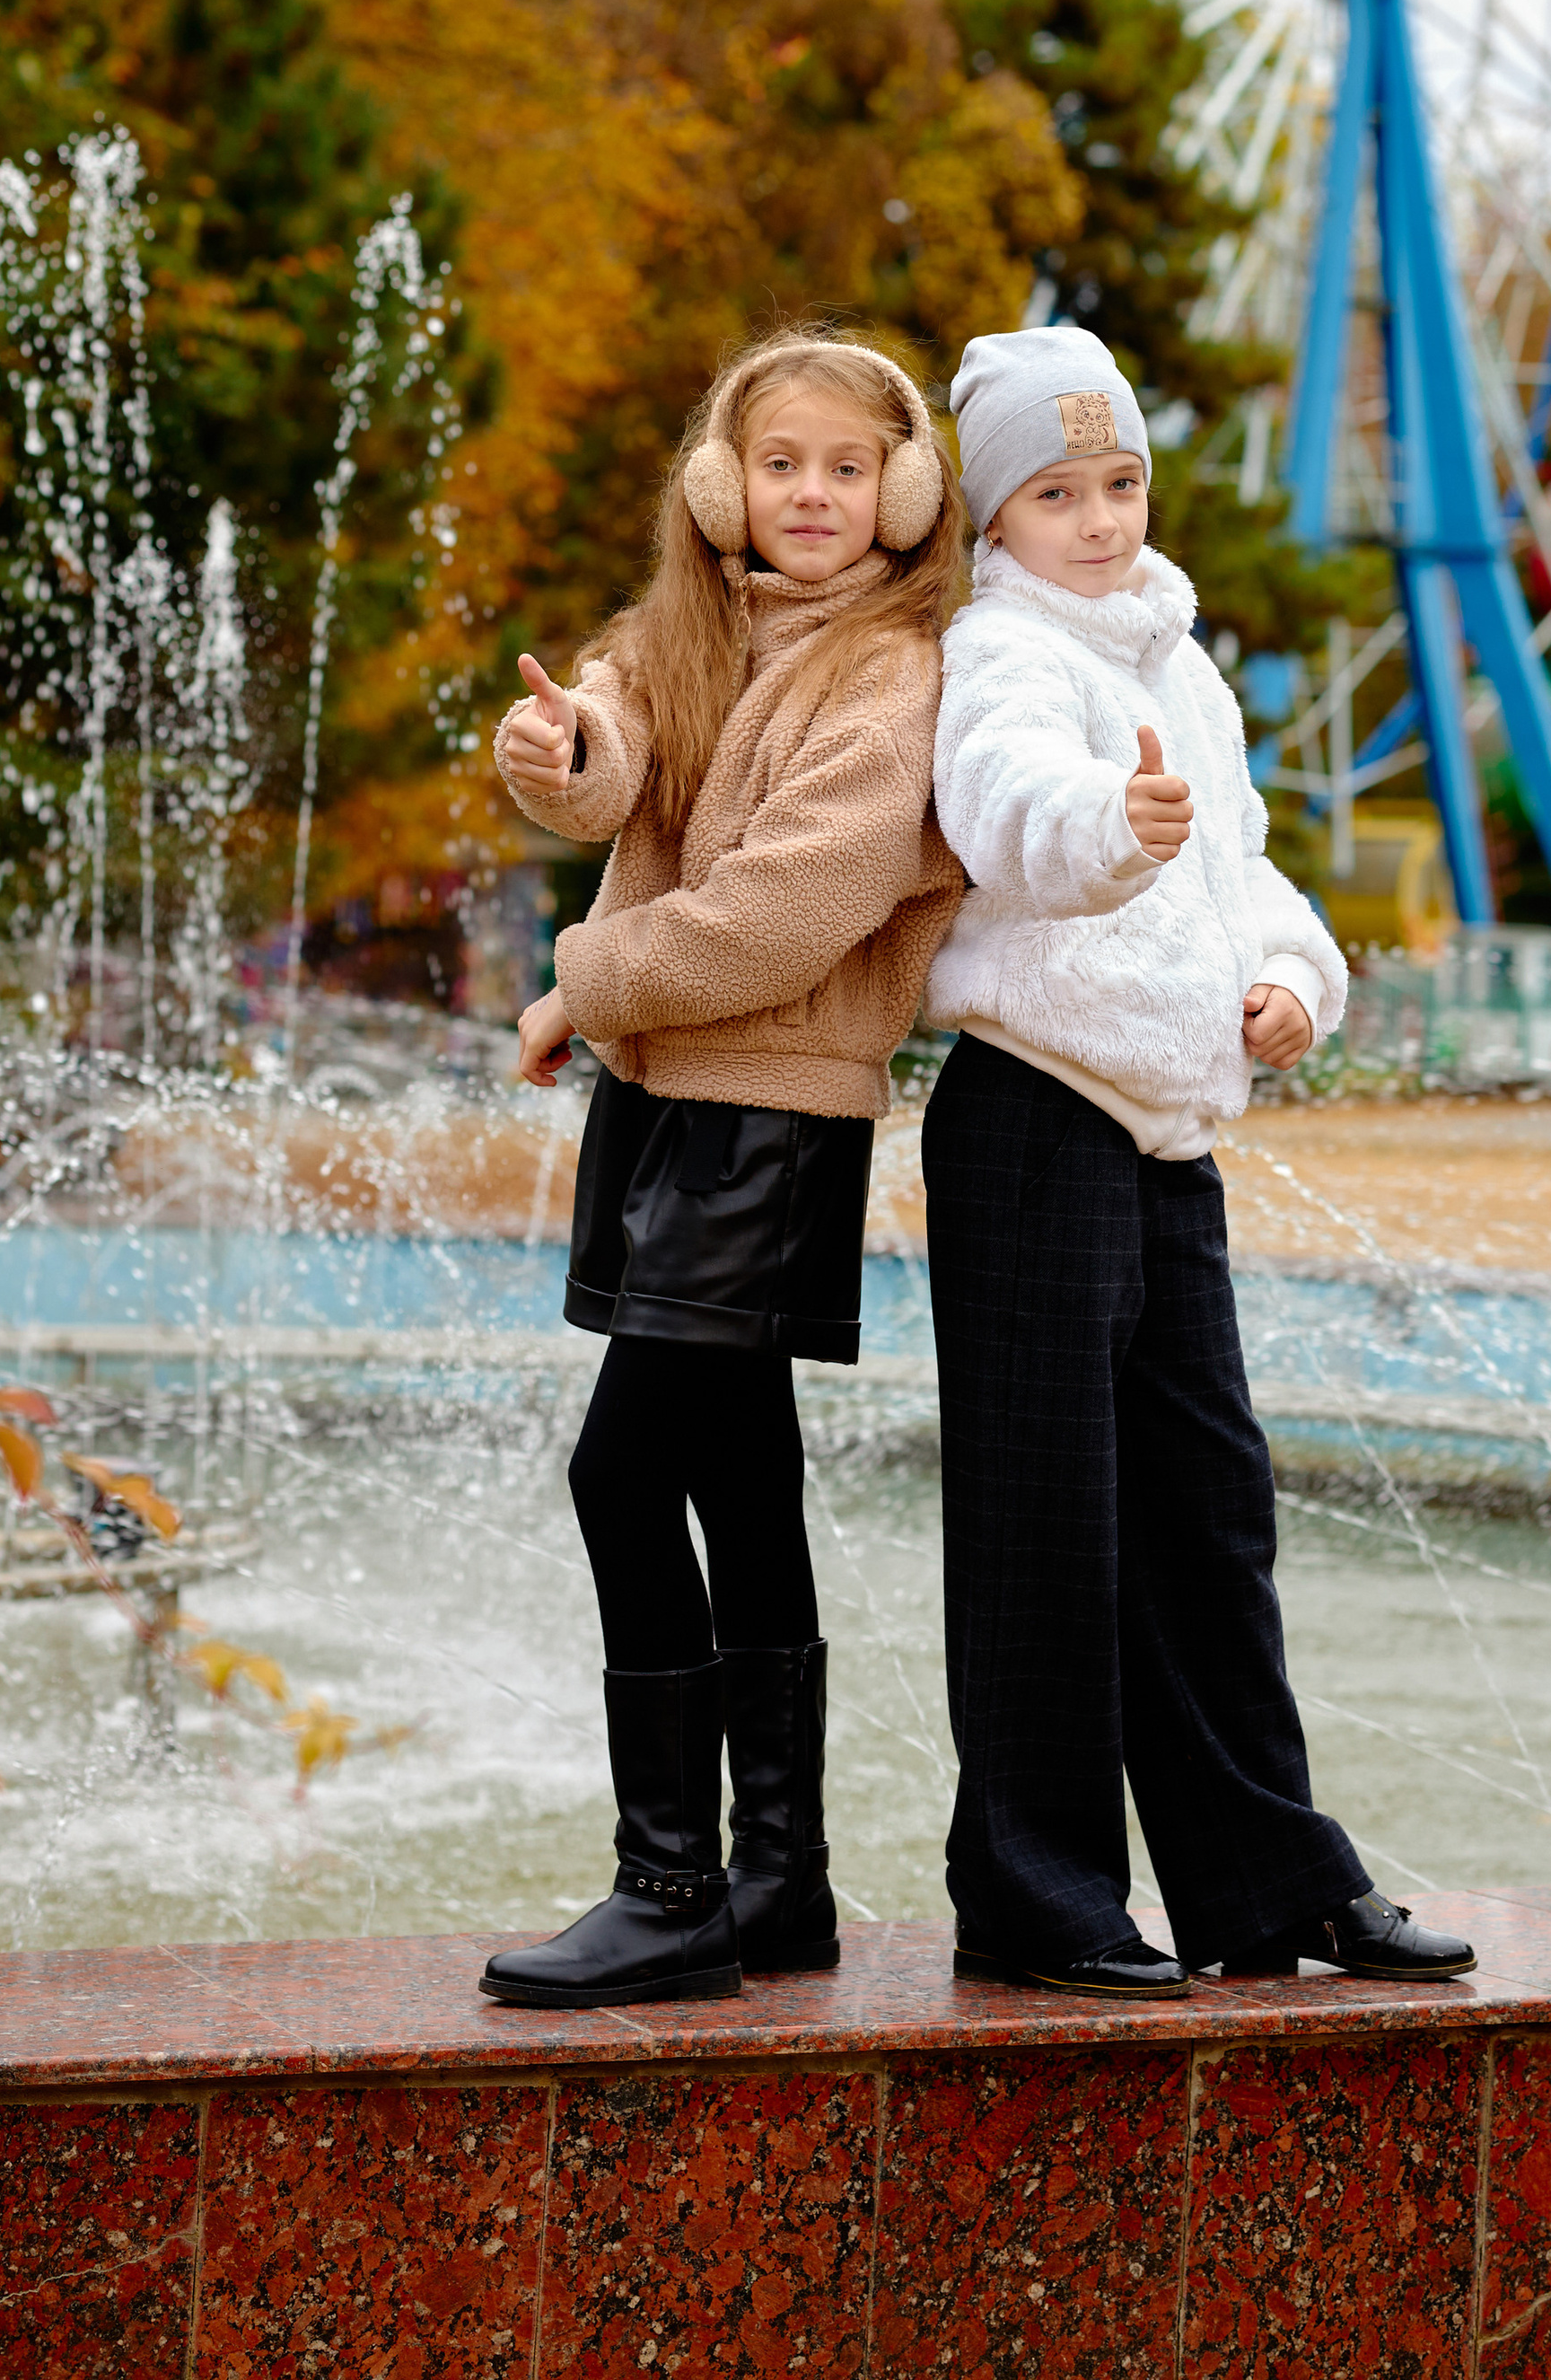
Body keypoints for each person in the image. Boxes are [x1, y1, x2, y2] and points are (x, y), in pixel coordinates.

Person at [920, 323, 1476, 1998]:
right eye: (1055, 491)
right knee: (1044, 1525)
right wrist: (1106, 828)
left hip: (1168, 1138)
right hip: (1034, 1113)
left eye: (1121, 483)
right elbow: (1001, 800)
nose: (1097, 517)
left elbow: (1253, 881)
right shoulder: (1001, 651)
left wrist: (1293, 981)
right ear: (997, 519)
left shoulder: (1184, 666)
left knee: (1210, 1514)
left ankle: (1262, 1881)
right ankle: (1036, 1893)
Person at [479, 332, 964, 2009]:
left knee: (625, 1470)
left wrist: (577, 980)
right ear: (723, 484)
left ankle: (671, 1880)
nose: (812, 494)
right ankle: (783, 1884)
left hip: (769, 1115)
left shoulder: (897, 674)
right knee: (741, 1476)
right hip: (668, 1097)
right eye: (780, 465)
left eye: (846, 467)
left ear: (903, 494)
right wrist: (562, 760)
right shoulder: (694, 625)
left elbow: (785, 913)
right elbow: (612, 729)